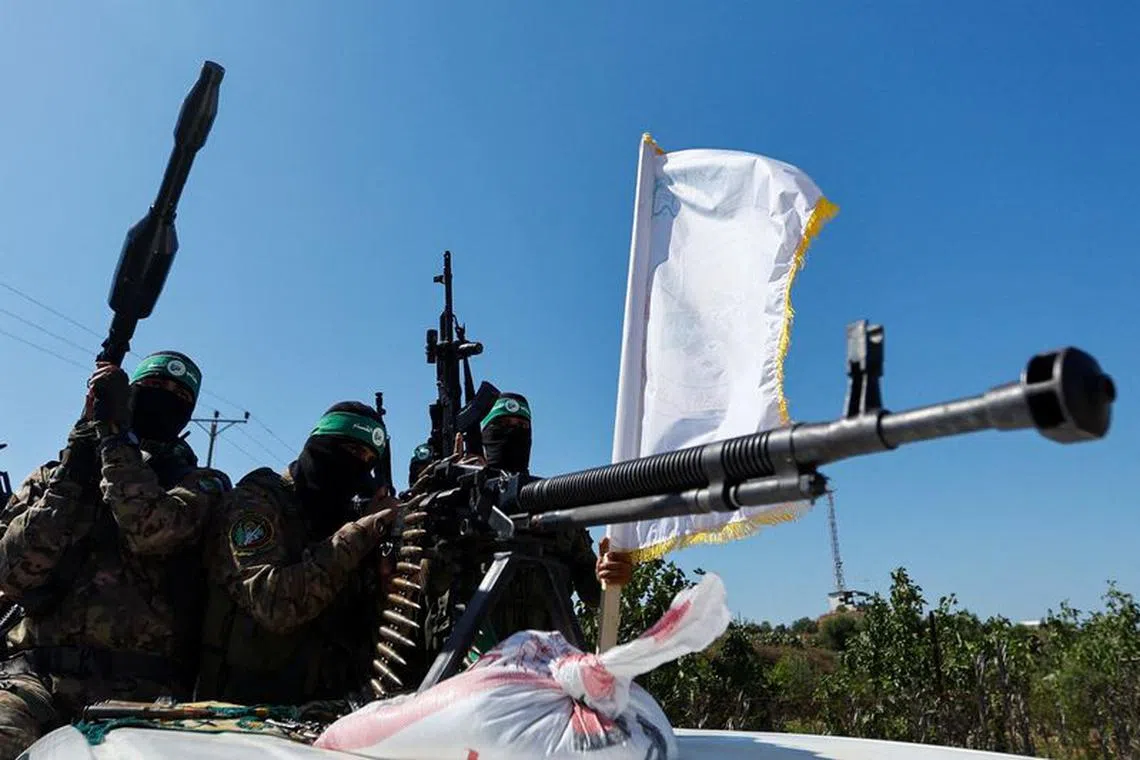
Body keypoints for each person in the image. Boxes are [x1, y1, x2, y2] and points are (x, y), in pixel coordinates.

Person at [0, 351, 231, 760]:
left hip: (140, 695)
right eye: (154, 388)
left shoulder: (202, 485)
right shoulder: (55, 476)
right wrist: (72, 473)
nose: (165, 398)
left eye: (178, 394)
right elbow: (11, 573)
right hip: (34, 679)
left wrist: (114, 438)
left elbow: (149, 529)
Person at [196, 402, 397, 707]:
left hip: (328, 708)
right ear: (319, 446)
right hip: (244, 710)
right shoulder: (257, 501)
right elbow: (273, 603)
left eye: (368, 461)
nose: (358, 467)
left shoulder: (346, 515)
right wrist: (362, 533)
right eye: (351, 451)